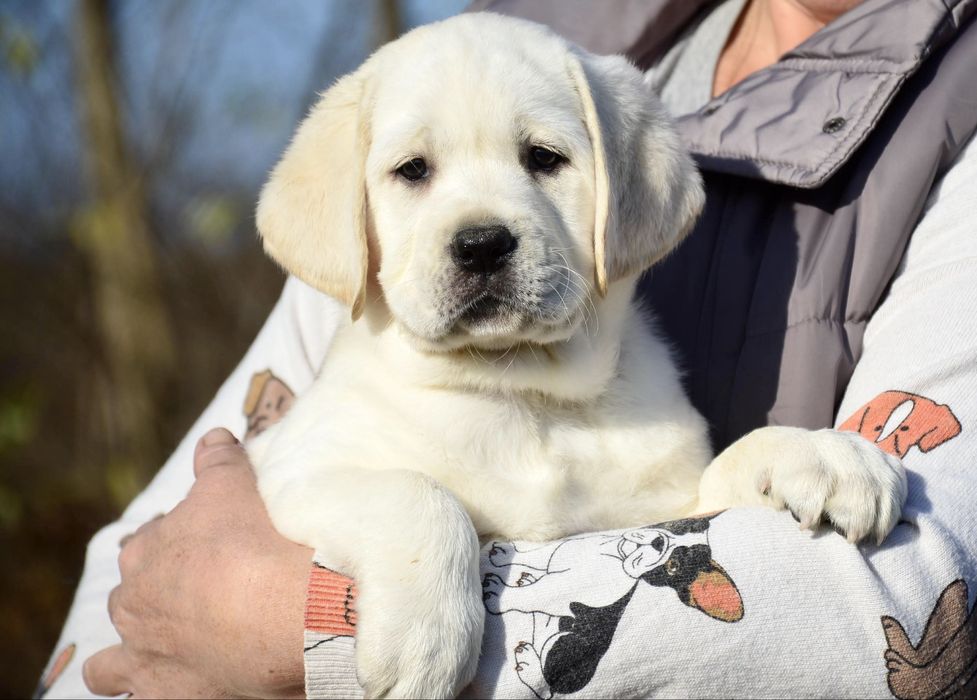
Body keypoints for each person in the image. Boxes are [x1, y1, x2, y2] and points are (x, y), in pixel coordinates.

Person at [42, 0, 977, 697]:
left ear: (628, 202)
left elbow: (727, 551)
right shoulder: (360, 401)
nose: (482, 227)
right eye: (414, 171)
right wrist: (416, 535)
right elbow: (213, 539)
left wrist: (766, 464)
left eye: (542, 158)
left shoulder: (651, 410)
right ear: (351, 216)